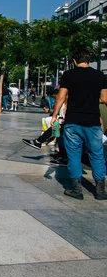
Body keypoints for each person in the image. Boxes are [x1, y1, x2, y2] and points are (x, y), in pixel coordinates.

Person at [51, 47, 107, 200]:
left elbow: (61, 97)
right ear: (88, 60)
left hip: (73, 122)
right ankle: (101, 191)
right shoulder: (99, 75)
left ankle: (77, 190)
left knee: (74, 155)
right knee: (97, 155)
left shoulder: (69, 75)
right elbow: (105, 98)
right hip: (93, 121)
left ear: (75, 61)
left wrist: (54, 115)